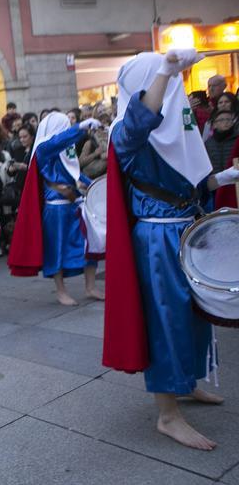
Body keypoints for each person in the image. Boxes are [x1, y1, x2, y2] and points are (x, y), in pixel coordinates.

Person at [104, 49, 239, 451]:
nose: (175, 84)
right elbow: (141, 120)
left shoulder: (177, 132)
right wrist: (165, 69)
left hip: (186, 229)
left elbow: (195, 183)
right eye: (166, 79)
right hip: (158, 238)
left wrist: (230, 175)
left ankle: (187, 384)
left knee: (195, 316)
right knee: (165, 322)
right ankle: (167, 414)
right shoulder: (126, 132)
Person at [8, 112, 104, 306]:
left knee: (89, 245)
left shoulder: (64, 149)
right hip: (56, 209)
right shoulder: (44, 148)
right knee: (56, 250)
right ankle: (61, 291)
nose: (67, 128)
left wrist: (94, 185)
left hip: (76, 204)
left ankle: (90, 286)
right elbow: (57, 141)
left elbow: (74, 172)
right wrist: (80, 128)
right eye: (64, 125)